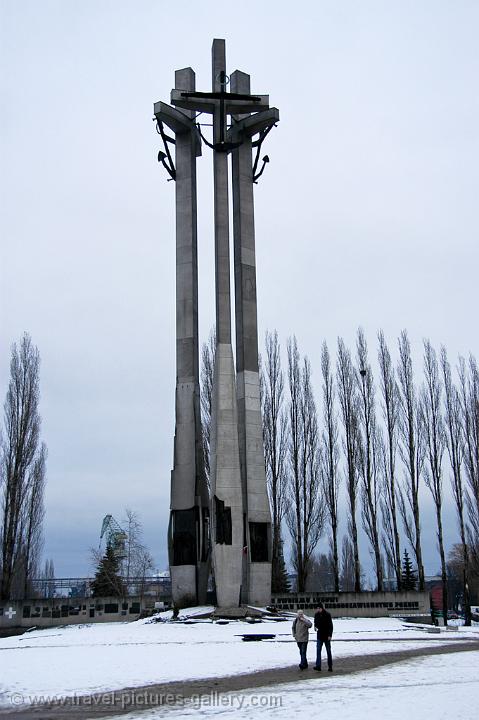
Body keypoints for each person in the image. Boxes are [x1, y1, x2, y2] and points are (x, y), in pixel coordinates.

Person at [314, 602, 333, 671]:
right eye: (317, 608)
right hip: (319, 636)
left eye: (319, 608)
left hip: (326, 635)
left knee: (328, 651)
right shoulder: (316, 615)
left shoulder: (327, 614)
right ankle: (318, 666)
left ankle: (330, 666)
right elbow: (315, 623)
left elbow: (330, 626)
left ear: (322, 608)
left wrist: (330, 635)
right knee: (318, 651)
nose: (318, 609)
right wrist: (315, 627)